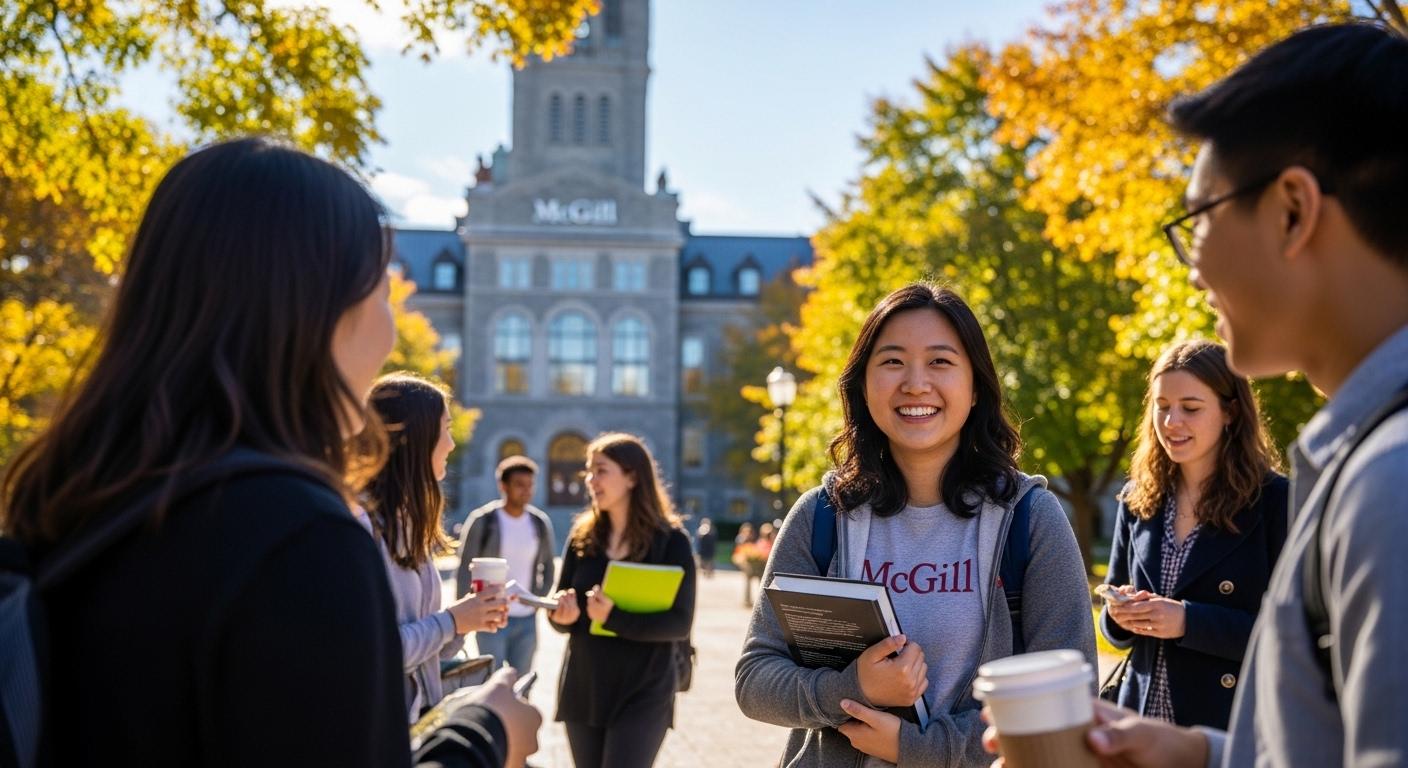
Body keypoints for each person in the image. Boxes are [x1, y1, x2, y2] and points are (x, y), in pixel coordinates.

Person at [0, 137, 537, 767]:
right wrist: (486, 732)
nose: (391, 331)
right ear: (319, 311)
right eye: (382, 296)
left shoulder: (71, 497)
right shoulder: (301, 538)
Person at [985, 22, 1408, 768]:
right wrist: (1193, 754)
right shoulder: (1363, 460)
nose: (1192, 270)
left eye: (1198, 220)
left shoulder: (1390, 479)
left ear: (1291, 211)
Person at [736, 282, 1096, 766]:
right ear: (864, 386)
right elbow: (755, 680)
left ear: (974, 389)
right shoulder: (820, 516)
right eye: (892, 361)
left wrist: (919, 749)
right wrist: (853, 687)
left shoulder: (1029, 519)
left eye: (941, 361)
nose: (915, 383)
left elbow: (1070, 700)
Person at [1100, 340, 1288, 730]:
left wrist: (1189, 621)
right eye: (1162, 406)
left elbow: (1291, 634)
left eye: (1191, 408)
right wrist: (1120, 614)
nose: (1171, 423)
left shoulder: (1274, 500)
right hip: (1141, 724)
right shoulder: (1139, 497)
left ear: (1230, 412)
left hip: (1228, 728)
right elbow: (1111, 619)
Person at [362, 373, 511, 720]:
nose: (451, 443)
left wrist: (466, 619)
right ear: (416, 437)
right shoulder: (359, 524)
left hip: (415, 722)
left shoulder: (409, 522)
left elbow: (426, 650)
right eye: (445, 428)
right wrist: (450, 621)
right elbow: (372, 653)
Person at [546, 432, 697, 768]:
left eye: (601, 470)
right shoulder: (582, 538)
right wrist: (561, 616)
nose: (590, 480)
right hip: (585, 685)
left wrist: (612, 617)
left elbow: (679, 623)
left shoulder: (672, 542)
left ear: (631, 476)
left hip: (645, 688)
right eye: (588, 471)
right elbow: (560, 607)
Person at [456, 455, 557, 674]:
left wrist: (535, 600)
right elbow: (465, 570)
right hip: (489, 616)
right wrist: (462, 615)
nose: (526, 491)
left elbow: (548, 567)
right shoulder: (483, 520)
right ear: (503, 486)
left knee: (521, 685)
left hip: (526, 620)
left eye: (530, 485)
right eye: (519, 485)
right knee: (491, 683)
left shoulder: (539, 523)